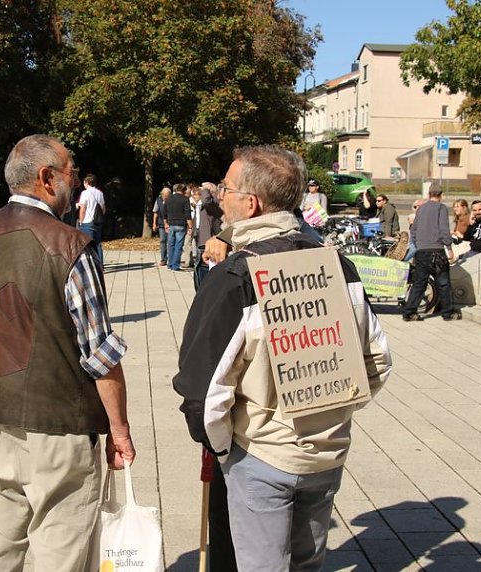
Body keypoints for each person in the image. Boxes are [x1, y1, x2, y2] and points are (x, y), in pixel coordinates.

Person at [173, 145, 392, 572]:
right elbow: (377, 360)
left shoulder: (237, 277)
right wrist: (332, 414)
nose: (220, 196)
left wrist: (225, 448)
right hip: (326, 455)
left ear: (250, 203)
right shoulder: (337, 267)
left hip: (260, 456)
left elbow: (203, 389)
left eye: (227, 188)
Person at [0, 134, 135, 572]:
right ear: (47, 178)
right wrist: (119, 431)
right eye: (71, 171)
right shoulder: (69, 246)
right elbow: (101, 355)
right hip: (58, 433)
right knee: (61, 557)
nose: (77, 182)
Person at [402, 183, 461, 321]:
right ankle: (448, 312)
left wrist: (418, 243)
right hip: (436, 251)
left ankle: (409, 312)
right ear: (441, 195)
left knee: (419, 283)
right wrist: (449, 248)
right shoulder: (441, 208)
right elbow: (444, 229)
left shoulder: (421, 209)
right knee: (443, 282)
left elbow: (414, 228)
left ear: (429, 195)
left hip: (422, 251)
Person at [194, 182, 222, 290]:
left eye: (204, 190)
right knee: (199, 283)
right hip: (200, 245)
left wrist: (206, 188)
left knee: (205, 286)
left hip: (207, 247)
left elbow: (206, 201)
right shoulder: (203, 205)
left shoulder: (214, 203)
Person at [77, 173, 106, 265]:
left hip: (87, 221)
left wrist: (81, 221)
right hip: (98, 221)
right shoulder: (100, 193)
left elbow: (83, 209)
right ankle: (100, 265)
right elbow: (103, 209)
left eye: (84, 183)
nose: (84, 185)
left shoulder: (85, 193)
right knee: (98, 243)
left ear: (87, 182)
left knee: (87, 245)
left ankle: (89, 264)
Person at [164, 183, 192, 271]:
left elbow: (164, 212)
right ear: (184, 190)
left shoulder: (169, 198)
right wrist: (190, 227)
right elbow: (188, 214)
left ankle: (170, 264)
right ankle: (175, 265)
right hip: (181, 224)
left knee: (170, 245)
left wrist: (165, 223)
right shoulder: (185, 199)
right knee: (178, 245)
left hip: (171, 223)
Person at [152, 187, 171, 266]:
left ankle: (170, 259)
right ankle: (163, 259)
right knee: (163, 240)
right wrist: (154, 223)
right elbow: (155, 212)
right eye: (164, 195)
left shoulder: (172, 201)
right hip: (161, 224)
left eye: (167, 195)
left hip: (170, 224)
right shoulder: (158, 200)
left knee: (170, 242)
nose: (165, 196)